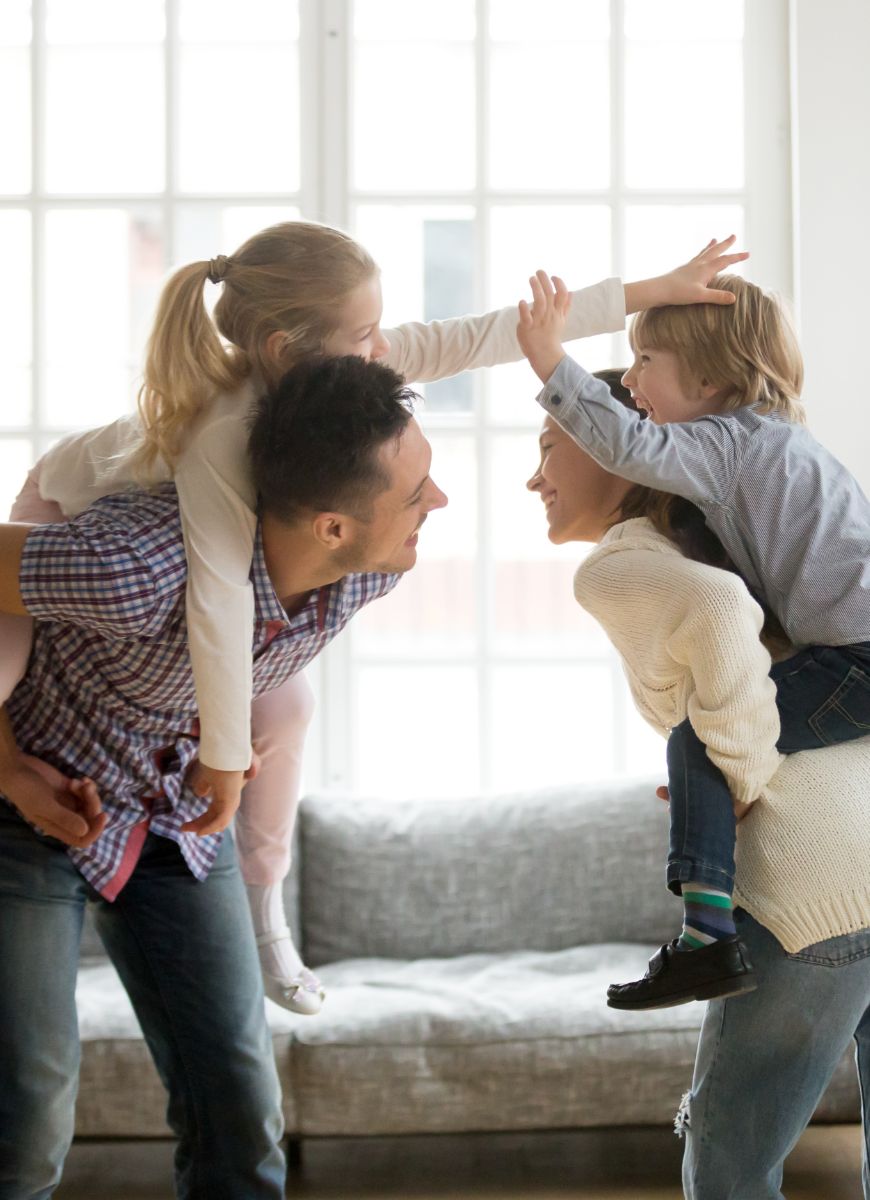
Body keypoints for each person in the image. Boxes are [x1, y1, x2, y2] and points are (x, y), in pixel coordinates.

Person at [0, 221, 745, 1014]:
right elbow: (217, 598)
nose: (381, 343)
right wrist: (220, 755)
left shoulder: (346, 372)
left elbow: (482, 335)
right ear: (288, 349)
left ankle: (265, 915)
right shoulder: (222, 437)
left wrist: (649, 292)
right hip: (53, 515)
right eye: (363, 331)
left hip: (171, 650)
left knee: (288, 704)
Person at [0, 354, 447, 1199]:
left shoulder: (371, 572)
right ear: (330, 527)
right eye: (418, 492)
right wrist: (7, 766)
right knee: (25, 1120)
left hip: (170, 812)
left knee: (239, 1114)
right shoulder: (132, 567)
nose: (440, 503)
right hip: (23, 808)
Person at [525, 379, 870, 1200]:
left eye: (547, 448)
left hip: (808, 889)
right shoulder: (720, 534)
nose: (534, 478)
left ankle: (701, 934)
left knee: (728, 1175)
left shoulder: (623, 561)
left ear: (616, 443)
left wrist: (737, 769)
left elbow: (718, 620)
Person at [517, 268, 870, 1009]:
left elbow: (627, 443)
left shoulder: (725, 445)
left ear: (710, 381)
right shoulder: (783, 443)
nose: (635, 380)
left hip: (859, 660)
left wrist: (551, 357)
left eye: (646, 362)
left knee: (699, 735)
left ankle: (705, 937)